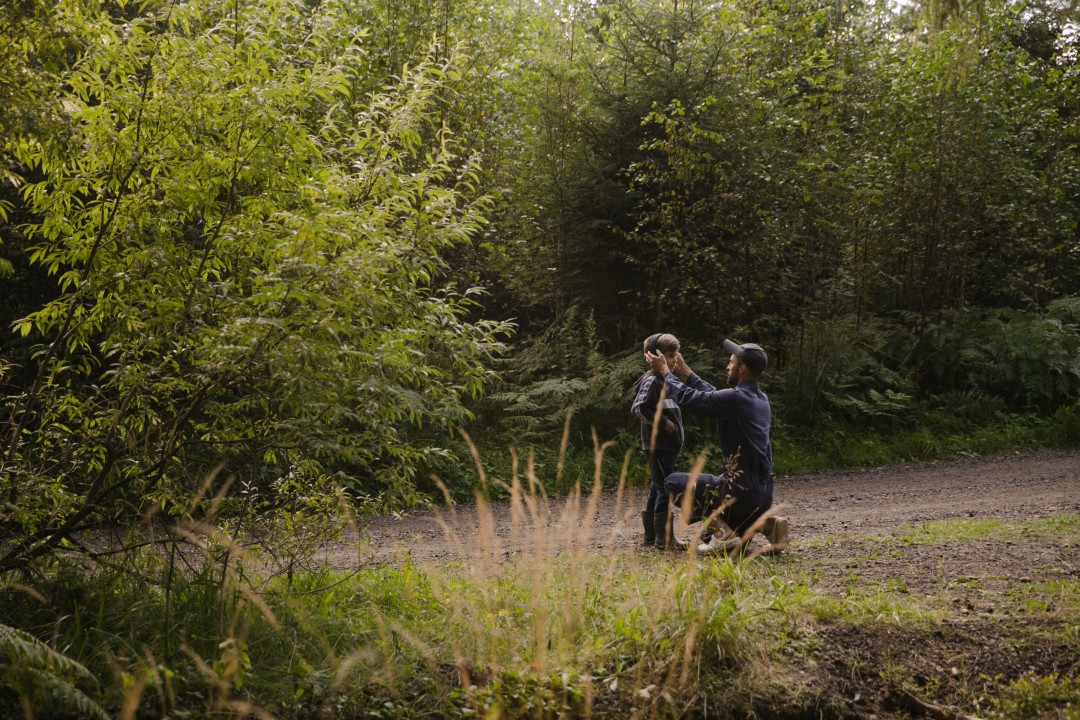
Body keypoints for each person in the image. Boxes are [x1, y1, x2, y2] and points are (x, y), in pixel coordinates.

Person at [645, 339, 778, 554]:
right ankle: (767, 526)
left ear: (741, 369)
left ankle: (724, 532)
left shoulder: (735, 399)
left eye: (731, 362)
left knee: (672, 482)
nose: (728, 366)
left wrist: (666, 373)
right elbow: (713, 395)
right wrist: (686, 371)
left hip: (739, 492)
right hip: (763, 494)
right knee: (717, 539)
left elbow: (692, 399)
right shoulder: (760, 398)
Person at [631, 333, 686, 550]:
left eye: (675, 355)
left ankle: (651, 538)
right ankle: (665, 540)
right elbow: (639, 408)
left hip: (668, 444)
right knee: (666, 487)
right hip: (658, 444)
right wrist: (663, 422)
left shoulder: (667, 380)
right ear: (656, 356)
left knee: (656, 488)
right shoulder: (653, 379)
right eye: (670, 356)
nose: (674, 360)